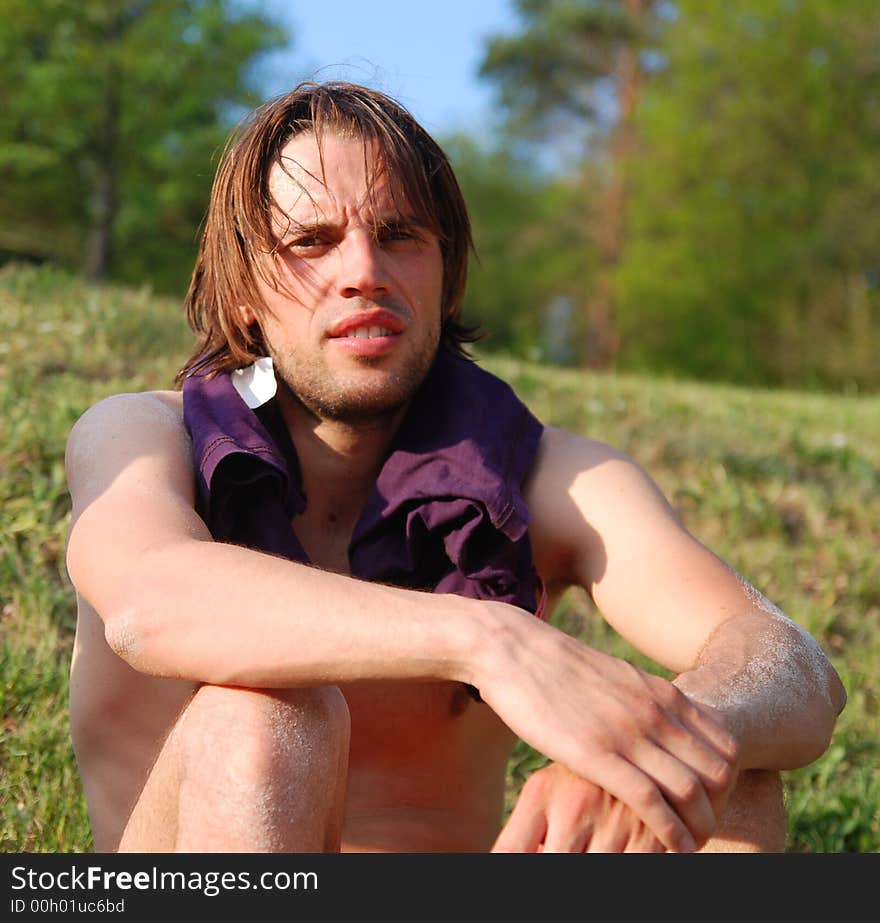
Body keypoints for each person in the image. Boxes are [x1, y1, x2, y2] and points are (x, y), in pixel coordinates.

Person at [64, 81, 846, 854]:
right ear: (244, 295)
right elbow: (147, 600)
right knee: (268, 714)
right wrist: (491, 639)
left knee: (721, 779)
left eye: (401, 234)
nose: (364, 270)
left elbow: (793, 664)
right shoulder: (144, 433)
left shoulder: (548, 475)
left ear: (444, 274)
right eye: (312, 241)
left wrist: (651, 744)